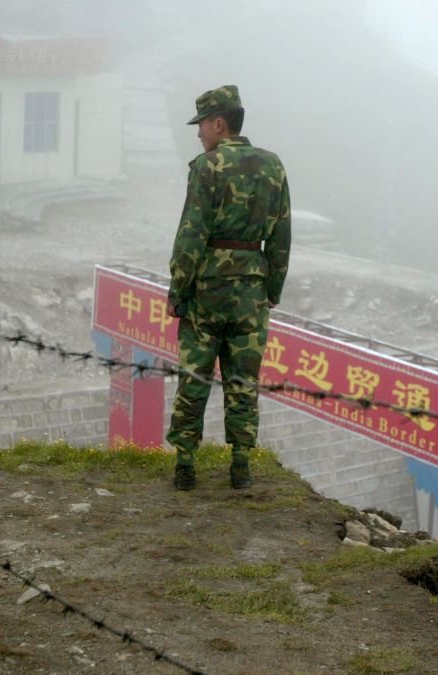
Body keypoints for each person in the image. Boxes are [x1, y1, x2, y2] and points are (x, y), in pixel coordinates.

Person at [166, 85, 291, 491]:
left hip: (207, 293)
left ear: (219, 123)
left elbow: (190, 237)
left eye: (202, 124)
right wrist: (272, 289)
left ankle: (185, 464)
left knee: (195, 377)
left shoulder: (207, 167)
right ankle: (240, 465)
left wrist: (178, 292)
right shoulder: (274, 166)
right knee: (243, 381)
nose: (199, 133)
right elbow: (281, 238)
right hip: (252, 295)